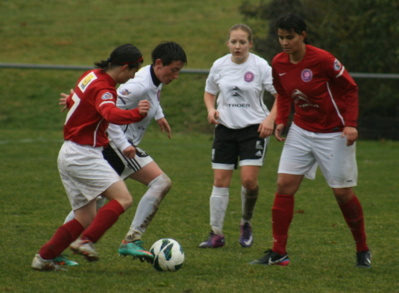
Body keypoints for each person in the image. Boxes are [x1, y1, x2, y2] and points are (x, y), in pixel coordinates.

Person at [250, 13, 371, 268]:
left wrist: (350, 123)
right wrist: (281, 119)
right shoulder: (279, 62)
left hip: (334, 132)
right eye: (281, 37)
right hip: (302, 130)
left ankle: (362, 249)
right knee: (284, 185)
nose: (284, 42)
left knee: (342, 194)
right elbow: (283, 94)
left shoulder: (324, 60)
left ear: (303, 35)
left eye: (290, 37)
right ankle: (279, 252)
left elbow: (350, 89)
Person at [61, 42, 187, 263]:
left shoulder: (153, 76)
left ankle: (59, 249)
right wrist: (125, 145)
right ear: (159, 64)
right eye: (174, 70)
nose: (176, 76)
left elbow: (153, 95)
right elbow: (107, 114)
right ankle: (130, 240)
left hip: (119, 146)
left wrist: (159, 115)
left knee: (95, 202)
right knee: (160, 183)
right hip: (119, 146)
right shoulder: (135, 86)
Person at [31, 44, 151, 271]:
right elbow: (109, 112)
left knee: (85, 218)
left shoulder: (91, 75)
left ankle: (43, 258)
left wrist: (71, 102)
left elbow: (78, 97)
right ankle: (86, 241)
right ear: (125, 67)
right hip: (84, 155)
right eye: (134, 71)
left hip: (69, 153)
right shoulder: (106, 89)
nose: (134, 76)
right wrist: (136, 113)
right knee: (123, 198)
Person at [199, 24, 277, 248]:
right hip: (225, 129)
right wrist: (210, 109)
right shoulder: (219, 65)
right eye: (234, 42)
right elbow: (209, 92)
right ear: (228, 44)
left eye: (242, 42)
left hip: (254, 129)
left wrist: (270, 119)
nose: (238, 46)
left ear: (250, 44)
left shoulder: (261, 66)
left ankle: (246, 223)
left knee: (249, 181)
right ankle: (216, 233)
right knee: (220, 181)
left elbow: (280, 95)